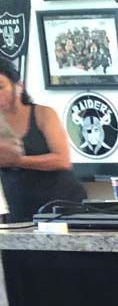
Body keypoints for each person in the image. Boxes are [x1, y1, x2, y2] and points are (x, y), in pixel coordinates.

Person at [0, 60, 86, 223]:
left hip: (63, 206)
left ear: (18, 86)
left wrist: (17, 161)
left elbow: (62, 160)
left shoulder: (43, 114)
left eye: (0, 87)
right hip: (19, 208)